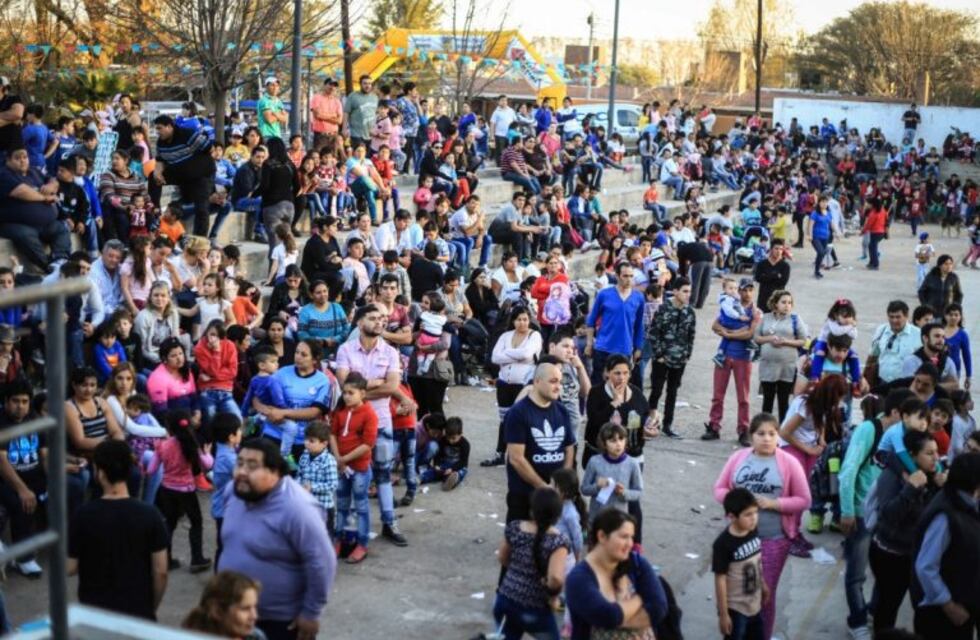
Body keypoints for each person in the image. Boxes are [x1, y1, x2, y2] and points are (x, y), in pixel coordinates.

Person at [218, 438, 336, 640]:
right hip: (230, 610)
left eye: (252, 466)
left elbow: (322, 562)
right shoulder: (234, 491)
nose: (242, 472)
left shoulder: (298, 508)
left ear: (275, 472)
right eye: (240, 463)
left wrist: (311, 613)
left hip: (279, 622)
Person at [713, 412, 811, 640]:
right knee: (737, 594)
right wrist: (739, 501)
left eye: (772, 434)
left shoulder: (789, 463)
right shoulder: (738, 458)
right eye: (761, 434)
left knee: (763, 595)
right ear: (751, 436)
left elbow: (804, 500)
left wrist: (774, 503)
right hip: (739, 539)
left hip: (773, 539)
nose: (767, 439)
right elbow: (719, 489)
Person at [336, 304, 415, 546]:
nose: (379, 322)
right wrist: (377, 383)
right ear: (360, 322)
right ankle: (349, 531)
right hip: (350, 425)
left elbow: (392, 386)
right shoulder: (345, 349)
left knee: (383, 473)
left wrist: (358, 392)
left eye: (382, 318)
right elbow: (344, 385)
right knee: (349, 475)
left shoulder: (390, 352)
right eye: (373, 318)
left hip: (381, 421)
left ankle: (389, 522)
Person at [838, 388, 914, 639]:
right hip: (861, 513)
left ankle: (870, 611)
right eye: (912, 416)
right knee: (856, 574)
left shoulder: (904, 438)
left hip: (885, 516)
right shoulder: (869, 430)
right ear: (897, 413)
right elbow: (848, 470)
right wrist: (847, 511)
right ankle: (857, 621)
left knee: (884, 574)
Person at [68, 439, 169, 621]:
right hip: (138, 613)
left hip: (96, 614)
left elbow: (70, 567)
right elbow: (161, 571)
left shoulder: (83, 515)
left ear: (100, 472)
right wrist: (150, 608)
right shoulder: (151, 515)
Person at [870, 430, 944, 633]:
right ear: (912, 455)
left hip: (916, 554)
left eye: (936, 452)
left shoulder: (933, 476)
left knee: (922, 607)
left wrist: (940, 488)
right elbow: (888, 515)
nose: (936, 458)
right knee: (888, 605)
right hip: (891, 554)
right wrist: (911, 488)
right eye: (929, 453)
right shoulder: (893, 475)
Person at [565, 509, 667, 639]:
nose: (630, 544)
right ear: (602, 536)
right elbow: (607, 616)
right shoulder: (578, 578)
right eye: (624, 537)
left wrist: (619, 620)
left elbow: (659, 608)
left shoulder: (636, 562)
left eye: (631, 537)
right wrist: (640, 598)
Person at [910, 452, 980, 640]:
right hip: (943, 615)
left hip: (963, 604)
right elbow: (925, 566)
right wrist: (949, 606)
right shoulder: (945, 516)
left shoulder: (964, 502)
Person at [493, 486, 570, 640]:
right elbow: (555, 578)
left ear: (532, 509)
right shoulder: (558, 541)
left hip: (505, 599)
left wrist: (518, 571)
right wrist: (553, 596)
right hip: (534, 606)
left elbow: (502, 557)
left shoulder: (515, 528)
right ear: (557, 515)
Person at [504, 362, 576, 523]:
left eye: (560, 382)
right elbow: (516, 459)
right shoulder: (518, 413)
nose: (558, 387)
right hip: (524, 495)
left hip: (555, 494)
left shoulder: (561, 410)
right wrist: (543, 487)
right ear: (537, 381)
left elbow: (569, 448)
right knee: (520, 535)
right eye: (553, 381)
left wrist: (561, 482)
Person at [146, 409, 213, 573]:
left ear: (168, 427)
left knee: (169, 523)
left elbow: (151, 470)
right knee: (196, 522)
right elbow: (208, 464)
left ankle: (167, 560)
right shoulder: (192, 443)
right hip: (187, 491)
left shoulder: (162, 445)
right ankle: (197, 559)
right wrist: (207, 453)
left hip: (167, 490)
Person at [704, 280, 762, 444]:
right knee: (717, 395)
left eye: (750, 290)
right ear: (739, 291)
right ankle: (714, 426)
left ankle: (743, 430)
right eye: (744, 290)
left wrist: (728, 334)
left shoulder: (756, 312)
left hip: (743, 357)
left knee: (743, 397)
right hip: (724, 356)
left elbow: (749, 334)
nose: (747, 293)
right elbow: (715, 326)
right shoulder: (730, 305)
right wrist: (735, 332)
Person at [483, 307, 542, 468]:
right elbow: (495, 357)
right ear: (513, 321)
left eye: (525, 319)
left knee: (522, 420)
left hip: (523, 384)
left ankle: (523, 456)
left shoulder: (534, 336)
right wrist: (517, 355)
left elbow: (527, 354)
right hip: (504, 383)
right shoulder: (505, 336)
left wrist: (507, 354)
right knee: (504, 419)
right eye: (518, 319)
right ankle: (500, 453)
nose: (522, 323)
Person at [0, 379, 47, 577]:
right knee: (21, 502)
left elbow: (44, 452)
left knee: (70, 487)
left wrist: (55, 477)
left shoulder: (34, 419)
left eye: (25, 401)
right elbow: (1, 461)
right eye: (15, 401)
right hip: (7, 480)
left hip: (35, 476)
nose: (20, 406)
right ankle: (24, 558)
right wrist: (22, 489)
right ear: (6, 401)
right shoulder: (2, 423)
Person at [0, 145, 71, 272]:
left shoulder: (34, 171)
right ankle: (49, 267)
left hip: (45, 224)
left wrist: (51, 185)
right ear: (8, 160)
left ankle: (60, 260)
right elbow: (21, 191)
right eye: (18, 158)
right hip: (15, 224)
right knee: (25, 235)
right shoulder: (4, 174)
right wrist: (44, 198)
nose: (23, 160)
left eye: (25, 157)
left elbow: (53, 180)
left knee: (61, 229)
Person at [713, 488, 768, 640]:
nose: (754, 518)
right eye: (748, 514)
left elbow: (757, 561)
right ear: (732, 516)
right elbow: (720, 579)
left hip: (754, 604)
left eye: (756, 512)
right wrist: (724, 614)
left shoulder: (752, 530)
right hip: (736, 609)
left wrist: (763, 584)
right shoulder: (723, 544)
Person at [646, 277, 696, 439]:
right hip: (662, 359)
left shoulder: (689, 312)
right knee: (656, 390)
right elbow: (654, 333)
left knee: (672, 392)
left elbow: (691, 335)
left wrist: (687, 355)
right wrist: (659, 355)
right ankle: (650, 420)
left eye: (689, 291)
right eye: (685, 291)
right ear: (675, 291)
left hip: (679, 359)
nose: (688, 294)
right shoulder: (663, 309)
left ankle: (668, 424)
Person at [153, 115, 215, 237]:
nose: (158, 132)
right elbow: (160, 160)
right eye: (156, 129)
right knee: (153, 177)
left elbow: (209, 148)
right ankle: (155, 208)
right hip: (179, 174)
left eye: (160, 128)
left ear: (169, 126)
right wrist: (157, 172)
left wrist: (194, 164)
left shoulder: (188, 134)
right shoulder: (161, 142)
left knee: (201, 208)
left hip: (200, 175)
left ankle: (200, 239)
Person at [584, 261, 645, 386]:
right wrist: (589, 344)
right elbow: (591, 321)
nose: (629, 279)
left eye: (631, 276)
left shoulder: (638, 298)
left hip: (624, 349)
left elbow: (639, 325)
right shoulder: (604, 295)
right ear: (617, 276)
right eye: (625, 276)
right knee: (598, 386)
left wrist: (638, 347)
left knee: (619, 386)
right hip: (603, 348)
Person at [755, 290, 808, 421]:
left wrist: (786, 342)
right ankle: (765, 427)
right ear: (775, 303)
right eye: (783, 302)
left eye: (789, 303)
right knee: (767, 400)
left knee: (783, 401)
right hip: (768, 366)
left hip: (787, 367)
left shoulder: (795, 319)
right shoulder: (765, 318)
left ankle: (783, 430)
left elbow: (803, 340)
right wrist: (770, 338)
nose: (787, 305)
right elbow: (756, 338)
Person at [581, 422, 643, 525]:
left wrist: (624, 492)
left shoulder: (632, 464)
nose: (618, 444)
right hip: (597, 519)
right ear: (604, 443)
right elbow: (584, 489)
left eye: (621, 439)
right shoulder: (594, 462)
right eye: (613, 441)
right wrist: (597, 486)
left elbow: (638, 492)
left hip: (620, 520)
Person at [182, 571, 266, 640]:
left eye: (254, 607)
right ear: (217, 611)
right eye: (245, 609)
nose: (254, 616)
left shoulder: (255, 636)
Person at [297, 419, 338, 539]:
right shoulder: (304, 456)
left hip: (323, 508)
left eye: (312, 441)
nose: (307, 443)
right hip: (306, 505)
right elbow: (300, 474)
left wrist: (312, 487)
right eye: (306, 439)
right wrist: (297, 485)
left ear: (324, 443)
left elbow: (333, 484)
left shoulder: (329, 460)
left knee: (324, 538)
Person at [866, 300, 921, 387]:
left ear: (906, 316)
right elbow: (874, 354)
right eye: (891, 317)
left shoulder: (918, 334)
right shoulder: (881, 330)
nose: (894, 320)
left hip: (906, 385)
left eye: (898, 317)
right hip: (883, 382)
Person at [752, 240, 790, 310]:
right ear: (771, 249)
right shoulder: (762, 264)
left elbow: (783, 282)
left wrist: (766, 276)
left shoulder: (785, 266)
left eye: (781, 249)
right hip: (763, 298)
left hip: (778, 299)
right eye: (776, 248)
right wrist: (776, 276)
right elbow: (758, 278)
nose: (778, 251)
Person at [343, 75, 378, 151]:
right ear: (360, 84)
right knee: (359, 155)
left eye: (369, 83)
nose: (367, 86)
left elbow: (375, 114)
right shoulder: (353, 96)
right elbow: (346, 112)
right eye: (365, 83)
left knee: (367, 157)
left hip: (370, 134)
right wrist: (344, 129)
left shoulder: (375, 97)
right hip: (356, 133)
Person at [805, 195, 833, 279]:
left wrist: (838, 232)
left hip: (826, 237)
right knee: (821, 252)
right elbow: (810, 225)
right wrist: (810, 235)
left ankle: (817, 271)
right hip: (815, 237)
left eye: (826, 202)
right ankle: (817, 271)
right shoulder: (815, 213)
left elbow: (831, 224)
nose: (824, 203)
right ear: (819, 203)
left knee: (821, 254)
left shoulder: (828, 213)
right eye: (822, 202)